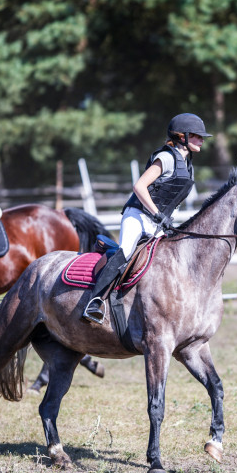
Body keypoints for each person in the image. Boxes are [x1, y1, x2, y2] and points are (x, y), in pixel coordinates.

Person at [82, 112, 211, 323]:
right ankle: (94, 302)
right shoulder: (166, 157)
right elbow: (139, 186)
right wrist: (158, 214)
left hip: (159, 221)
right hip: (138, 215)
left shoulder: (188, 165)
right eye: (197, 136)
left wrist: (167, 220)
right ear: (182, 136)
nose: (202, 140)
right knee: (126, 251)